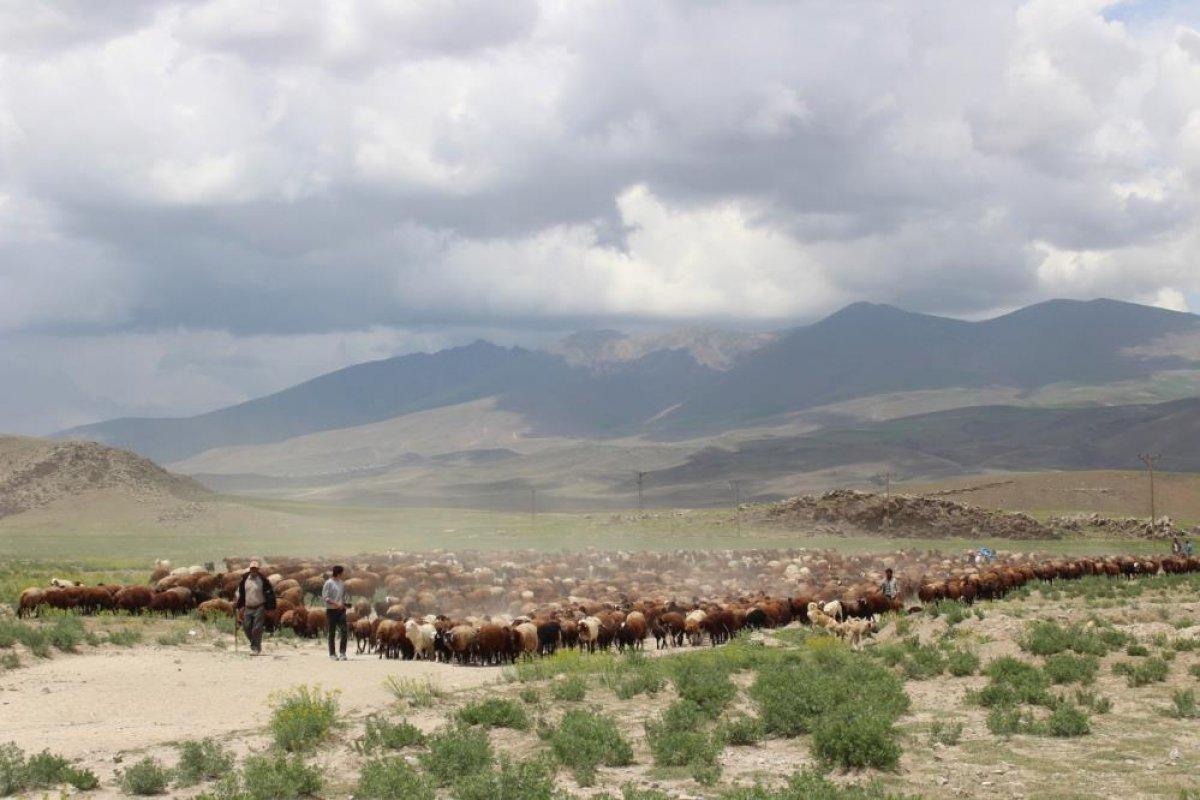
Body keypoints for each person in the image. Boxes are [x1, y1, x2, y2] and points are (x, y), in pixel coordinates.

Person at [235, 561, 276, 655]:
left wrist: (270, 608)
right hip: (248, 607)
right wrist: (238, 605)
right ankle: (256, 644)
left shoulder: (263, 580)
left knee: (256, 628)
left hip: (259, 607)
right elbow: (241, 594)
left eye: (255, 569)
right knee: (246, 628)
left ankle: (255, 648)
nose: (254, 571)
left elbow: (270, 594)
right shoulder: (244, 580)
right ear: (250, 569)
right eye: (252, 569)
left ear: (258, 570)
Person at [322, 565, 349, 661]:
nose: (343, 574)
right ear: (338, 573)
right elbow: (325, 597)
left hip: (341, 610)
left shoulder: (342, 583)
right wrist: (336, 604)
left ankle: (342, 653)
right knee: (332, 632)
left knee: (344, 631)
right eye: (342, 573)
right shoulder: (328, 583)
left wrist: (345, 603)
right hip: (331, 611)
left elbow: (345, 595)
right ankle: (332, 654)